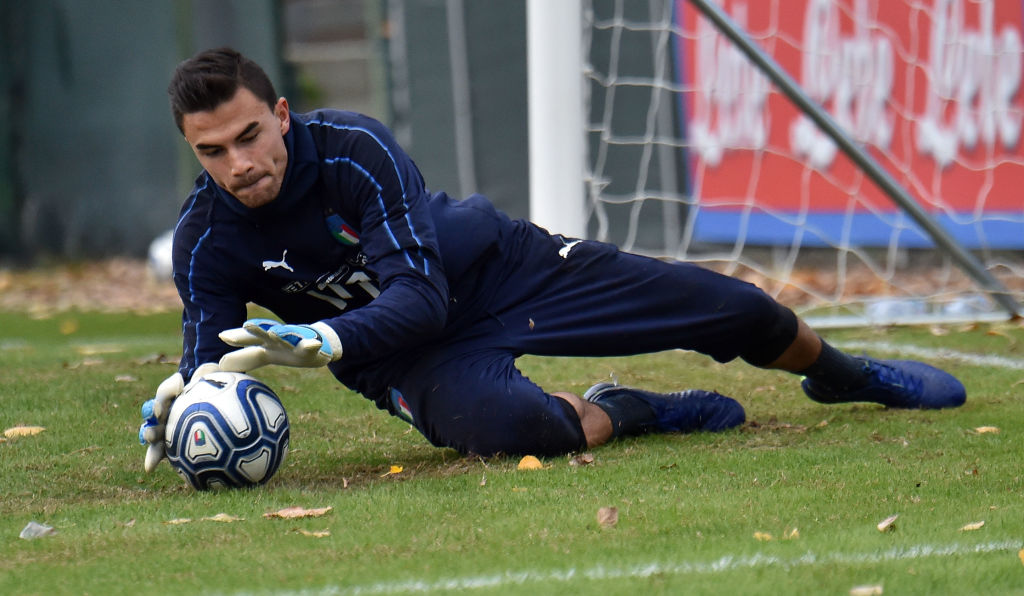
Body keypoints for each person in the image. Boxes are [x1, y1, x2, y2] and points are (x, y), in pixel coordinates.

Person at [139, 47, 966, 472]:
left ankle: (847, 377)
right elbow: (206, 358)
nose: (239, 163)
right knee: (521, 433)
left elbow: (419, 295)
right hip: (405, 358)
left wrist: (325, 338)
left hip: (501, 271)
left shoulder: (354, 150)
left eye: (250, 135)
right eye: (213, 151)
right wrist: (183, 407)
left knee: (737, 309)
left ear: (282, 114)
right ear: (191, 150)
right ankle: (631, 409)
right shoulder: (205, 240)